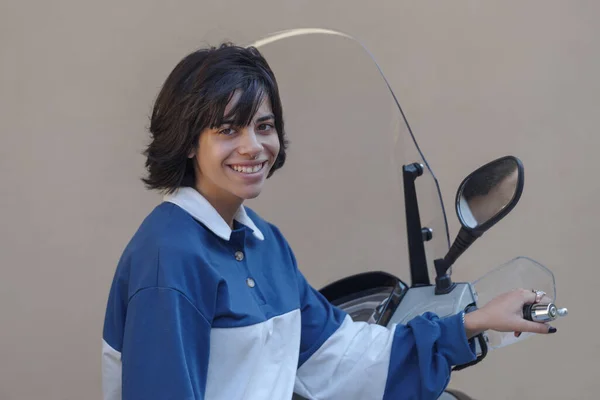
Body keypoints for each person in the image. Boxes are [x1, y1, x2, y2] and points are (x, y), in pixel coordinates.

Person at [101, 43, 556, 400]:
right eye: (227, 130)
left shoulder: (264, 243)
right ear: (186, 141)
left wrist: (473, 322)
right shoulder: (169, 256)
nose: (253, 146)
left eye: (263, 126)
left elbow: (338, 355)